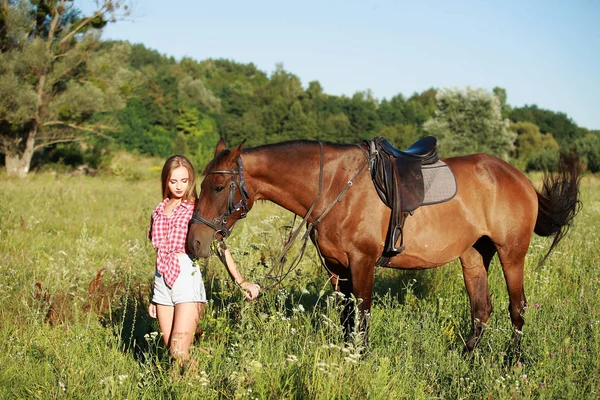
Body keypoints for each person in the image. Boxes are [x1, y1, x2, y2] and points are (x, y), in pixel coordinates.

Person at [147, 155, 260, 365]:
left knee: (178, 350)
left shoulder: (197, 208)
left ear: (191, 180)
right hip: (161, 281)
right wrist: (154, 296)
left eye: (184, 180)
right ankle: (183, 386)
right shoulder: (158, 210)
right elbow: (159, 252)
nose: (179, 186)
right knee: (172, 353)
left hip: (186, 278)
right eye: (173, 181)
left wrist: (241, 281)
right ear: (166, 181)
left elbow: (219, 246)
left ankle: (195, 385)